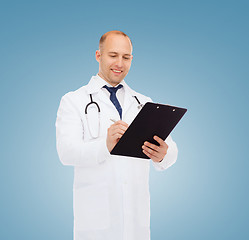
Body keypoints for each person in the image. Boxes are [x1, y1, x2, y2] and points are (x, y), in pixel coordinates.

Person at [56, 30, 178, 240]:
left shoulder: (143, 102)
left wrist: (162, 154)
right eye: (113, 55)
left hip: (136, 225)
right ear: (98, 55)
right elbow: (66, 153)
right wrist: (105, 145)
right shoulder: (74, 100)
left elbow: (171, 150)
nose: (119, 63)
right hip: (95, 223)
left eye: (126, 57)